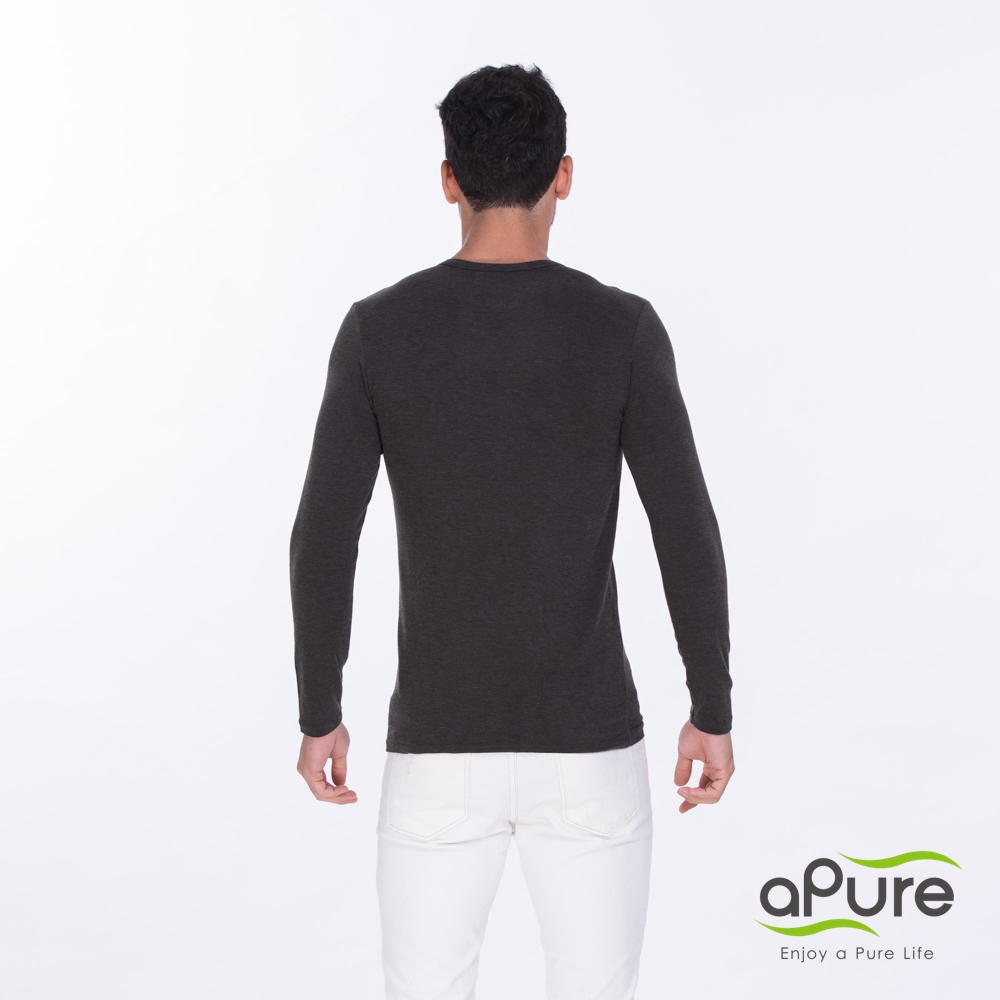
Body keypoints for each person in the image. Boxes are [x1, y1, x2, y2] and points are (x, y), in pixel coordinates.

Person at [290, 63, 735, 1000]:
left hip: (437, 749)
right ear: (563, 175)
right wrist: (712, 708)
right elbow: (685, 528)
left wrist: (319, 712)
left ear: (448, 178)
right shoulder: (621, 329)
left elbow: (323, 536)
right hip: (590, 750)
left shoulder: (379, 331)